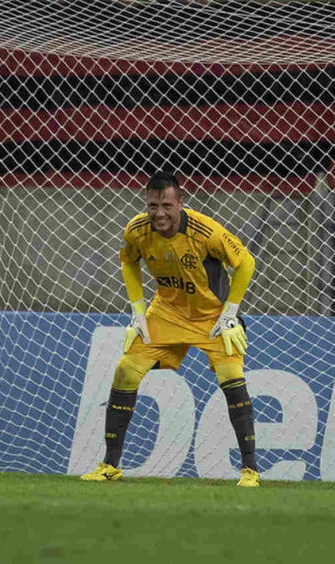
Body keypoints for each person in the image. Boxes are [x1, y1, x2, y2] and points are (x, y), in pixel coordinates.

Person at [81, 172, 260, 487]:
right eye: (153, 205)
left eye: (166, 205)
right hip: (166, 313)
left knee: (232, 377)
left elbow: (246, 262)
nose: (159, 213)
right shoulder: (137, 230)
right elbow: (128, 261)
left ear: (180, 203)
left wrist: (231, 313)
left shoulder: (207, 232)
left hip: (211, 315)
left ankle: (250, 470)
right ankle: (110, 465)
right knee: (125, 371)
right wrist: (138, 312)